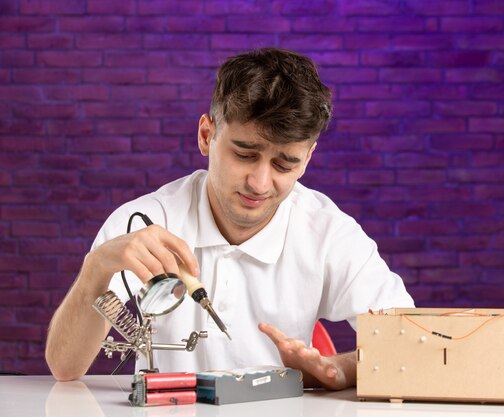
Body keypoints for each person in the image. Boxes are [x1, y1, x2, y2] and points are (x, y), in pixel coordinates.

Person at [45, 48, 414, 389]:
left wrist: (339, 371)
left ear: (308, 159)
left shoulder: (329, 233)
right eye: (245, 154)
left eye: (285, 163)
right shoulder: (146, 221)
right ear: (207, 135)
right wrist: (97, 268)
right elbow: (64, 367)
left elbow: (412, 344)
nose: (260, 183)